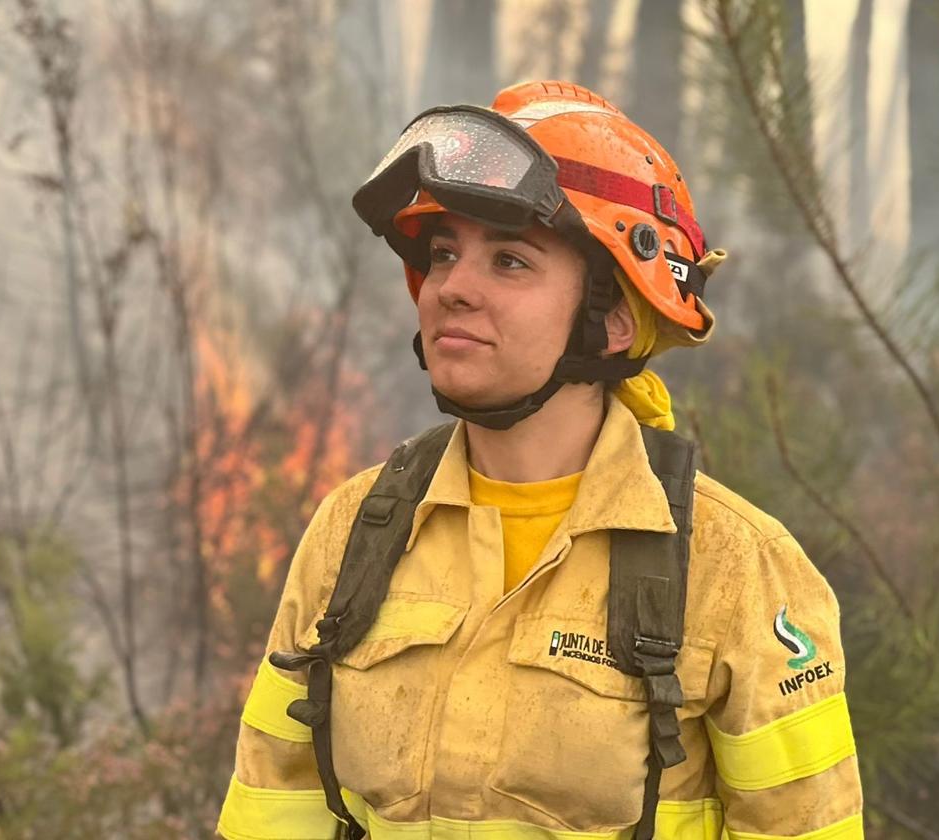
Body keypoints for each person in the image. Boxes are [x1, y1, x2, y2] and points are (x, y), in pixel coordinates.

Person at [216, 80, 863, 840]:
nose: (451, 287)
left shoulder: (734, 568)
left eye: (510, 262)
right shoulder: (353, 532)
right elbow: (273, 810)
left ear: (613, 319)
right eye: (444, 253)